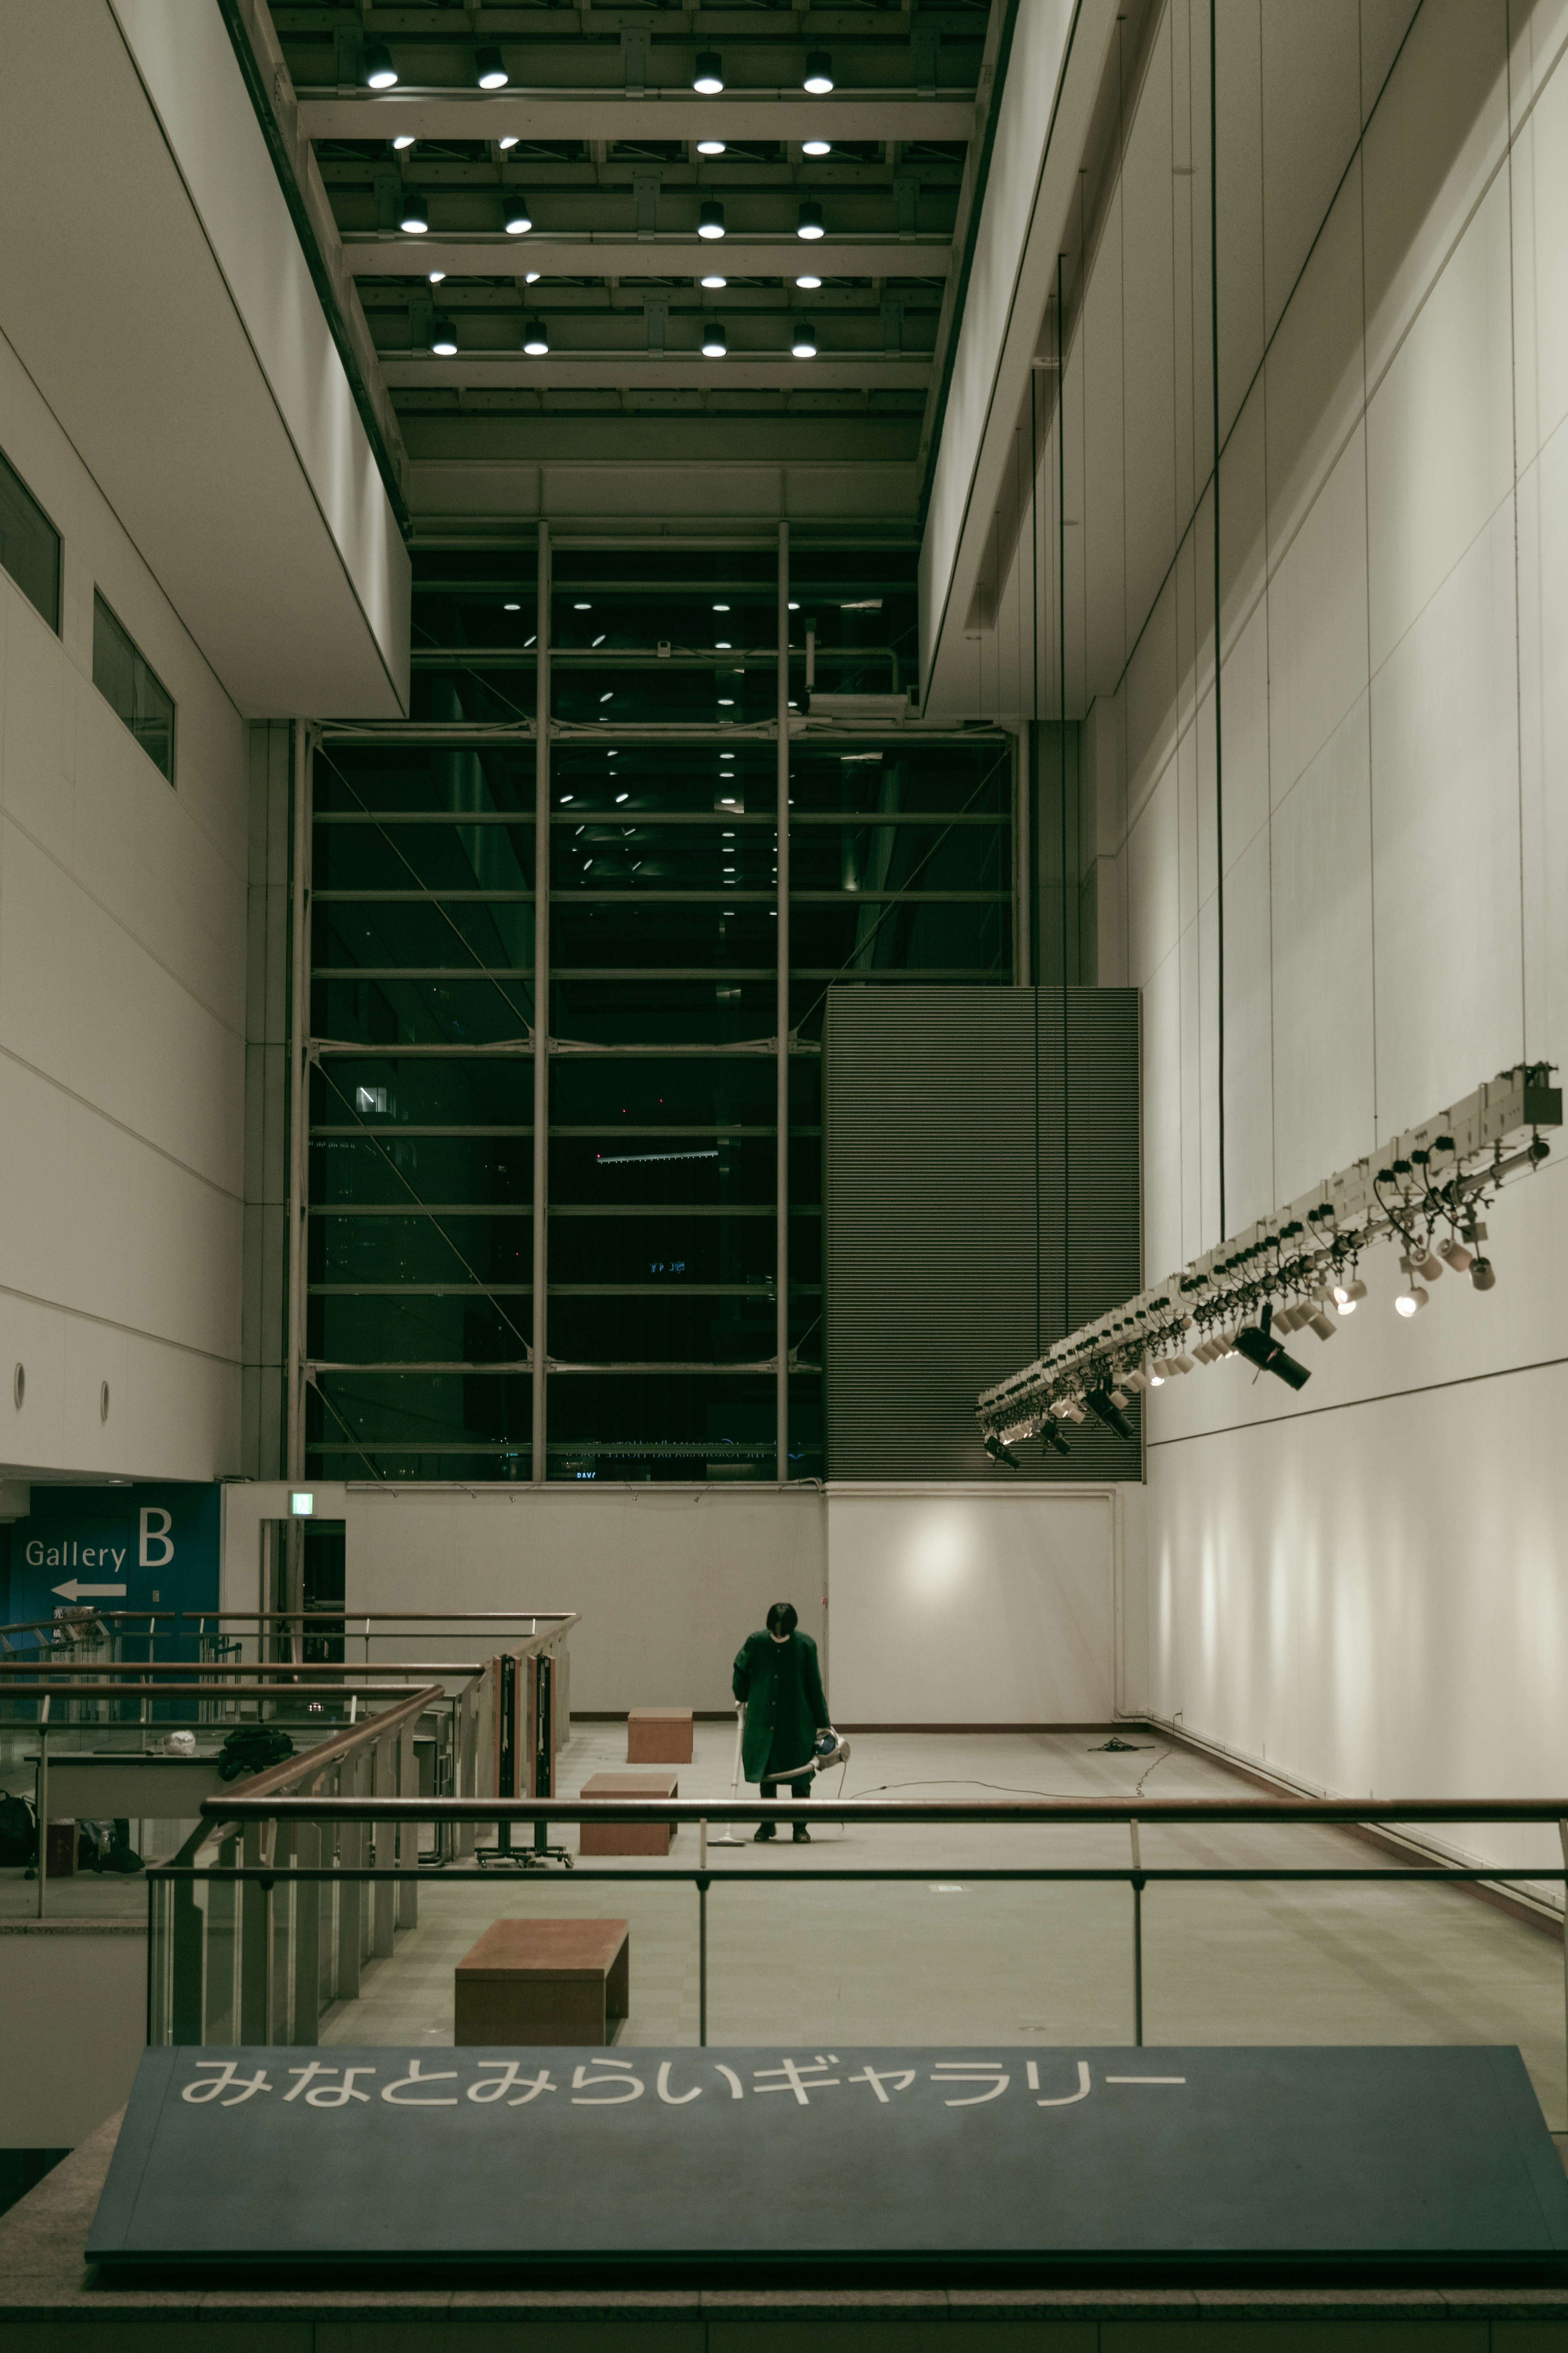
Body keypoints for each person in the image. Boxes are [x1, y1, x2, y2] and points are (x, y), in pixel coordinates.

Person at [731, 1602, 830, 1844]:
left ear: (791, 1628)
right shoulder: (757, 1642)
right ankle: (767, 1823)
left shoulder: (805, 1645)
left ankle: (800, 1827)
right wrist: (741, 1697)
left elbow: (814, 1686)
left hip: (797, 1721)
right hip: (763, 1719)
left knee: (801, 1775)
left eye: (782, 1631)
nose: (778, 1634)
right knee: (767, 1774)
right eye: (774, 1631)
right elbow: (741, 1669)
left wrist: (823, 1724)